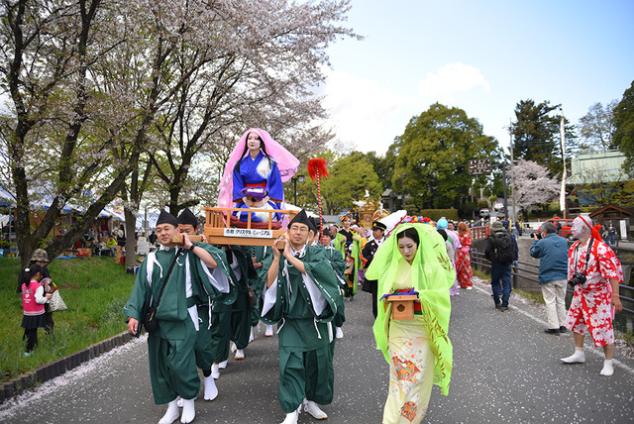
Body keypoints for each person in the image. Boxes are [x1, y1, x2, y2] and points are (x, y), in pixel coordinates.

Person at [124, 210, 228, 424]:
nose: (163, 233)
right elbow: (140, 290)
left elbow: (213, 264)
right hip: (159, 322)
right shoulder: (151, 260)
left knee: (182, 363)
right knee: (161, 366)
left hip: (184, 318)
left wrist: (190, 245)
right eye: (159, 230)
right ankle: (172, 407)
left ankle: (189, 400)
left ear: (177, 231)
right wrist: (133, 315)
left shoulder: (189, 254)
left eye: (167, 229)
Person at [367, 223, 454, 424]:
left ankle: (408, 419)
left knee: (417, 378)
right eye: (401, 247)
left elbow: (442, 296)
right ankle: (390, 420)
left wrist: (421, 295)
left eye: (409, 246)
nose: (405, 251)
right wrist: (389, 298)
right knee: (400, 378)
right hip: (398, 327)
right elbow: (381, 295)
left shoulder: (430, 268)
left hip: (422, 328)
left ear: (418, 245)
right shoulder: (393, 267)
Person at [261, 210, 340, 424]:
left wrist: (289, 257)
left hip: (315, 321)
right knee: (291, 364)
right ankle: (292, 409)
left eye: (302, 229)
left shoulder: (317, 253)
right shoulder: (277, 252)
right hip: (291, 321)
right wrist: (278, 259)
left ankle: (311, 401)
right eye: (294, 228)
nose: (298, 232)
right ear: (288, 232)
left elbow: (320, 272)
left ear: (310, 235)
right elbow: (268, 283)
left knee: (318, 365)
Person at [177, 208, 233, 401]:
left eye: (187, 230)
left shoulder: (201, 247)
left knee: (202, 346)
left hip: (198, 305)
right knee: (178, 350)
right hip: (175, 309)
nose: (182, 234)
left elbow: (214, 262)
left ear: (195, 229)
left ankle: (208, 376)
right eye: (179, 230)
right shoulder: (171, 249)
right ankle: (183, 391)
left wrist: (192, 247)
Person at [561, 215, 624, 377]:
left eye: (575, 225)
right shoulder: (574, 247)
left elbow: (612, 274)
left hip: (599, 295)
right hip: (580, 292)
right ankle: (579, 352)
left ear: (585, 228)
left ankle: (608, 362)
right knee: (576, 322)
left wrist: (615, 295)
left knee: (603, 327)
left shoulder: (600, 249)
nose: (572, 228)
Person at [217, 128, 299, 209]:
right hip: (245, 201)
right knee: (243, 215)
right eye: (249, 138)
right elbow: (238, 186)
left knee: (260, 216)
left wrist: (263, 200)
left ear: (261, 143)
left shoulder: (270, 163)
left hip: (266, 201)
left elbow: (275, 185)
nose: (252, 141)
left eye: (256, 139)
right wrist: (245, 199)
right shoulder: (239, 164)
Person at [529, 222, 569, 334]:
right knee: (561, 301)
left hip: (548, 275)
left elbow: (534, 253)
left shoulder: (542, 242)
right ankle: (563, 325)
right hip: (563, 275)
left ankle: (554, 327)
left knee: (550, 301)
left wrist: (536, 241)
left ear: (544, 232)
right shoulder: (564, 241)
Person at [484, 221, 518, 311]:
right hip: (507, 263)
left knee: (495, 282)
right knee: (507, 282)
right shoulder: (510, 237)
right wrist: (513, 259)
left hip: (496, 263)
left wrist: (492, 259)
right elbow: (515, 249)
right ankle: (505, 304)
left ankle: (497, 302)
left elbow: (487, 252)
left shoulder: (491, 238)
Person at [20, 264, 51, 356]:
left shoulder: (24, 285)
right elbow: (38, 300)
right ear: (37, 274)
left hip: (27, 312)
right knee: (32, 332)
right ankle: (28, 351)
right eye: (41, 275)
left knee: (29, 330)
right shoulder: (38, 286)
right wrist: (47, 298)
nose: (41, 277)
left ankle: (33, 346)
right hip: (35, 313)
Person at [361, 220, 387, 318]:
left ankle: (387, 315)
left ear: (382, 231)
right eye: (373, 230)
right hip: (375, 275)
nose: (374, 232)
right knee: (376, 296)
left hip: (387, 273)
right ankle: (377, 316)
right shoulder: (369, 245)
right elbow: (364, 258)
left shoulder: (388, 243)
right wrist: (373, 257)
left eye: (376, 230)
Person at [456, 222, 473, 290]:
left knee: (464, 268)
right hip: (462, 252)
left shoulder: (465, 234)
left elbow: (468, 243)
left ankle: (467, 283)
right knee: (460, 268)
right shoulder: (460, 234)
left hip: (462, 252)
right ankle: (462, 283)